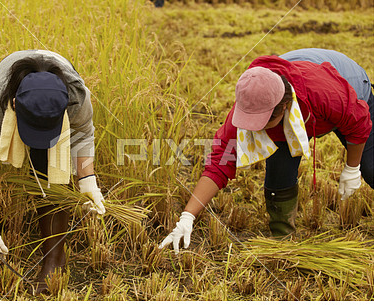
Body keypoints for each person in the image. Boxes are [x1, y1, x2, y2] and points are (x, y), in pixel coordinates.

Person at [160, 48, 373, 254]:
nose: (255, 128)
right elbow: (219, 162)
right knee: (279, 172)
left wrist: (352, 167)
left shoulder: (325, 93)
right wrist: (187, 217)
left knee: (371, 166)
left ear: (283, 107)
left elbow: (359, 122)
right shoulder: (253, 99)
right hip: (294, 96)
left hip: (349, 86)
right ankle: (283, 241)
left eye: (262, 121)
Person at [0, 50, 106, 293]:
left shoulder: (76, 96)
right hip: (6, 88)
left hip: (58, 93)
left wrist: (88, 183)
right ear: (14, 105)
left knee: (51, 170)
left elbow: (83, 134)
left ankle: (54, 258)